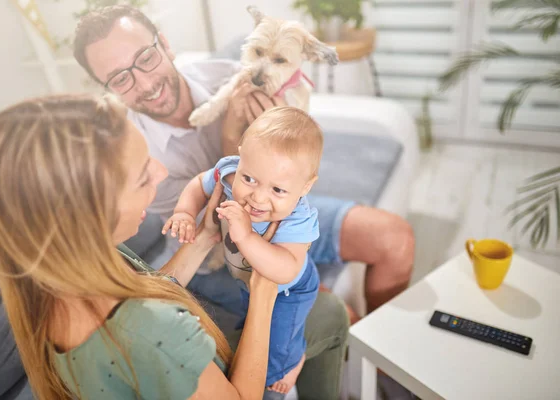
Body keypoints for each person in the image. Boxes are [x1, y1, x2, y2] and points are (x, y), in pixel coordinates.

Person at [73, 5, 415, 322]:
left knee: (395, 239)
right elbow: (225, 218)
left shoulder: (227, 75)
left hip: (283, 211)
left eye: (146, 57)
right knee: (335, 315)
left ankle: (387, 367)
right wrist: (232, 135)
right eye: (120, 79)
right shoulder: (137, 157)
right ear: (108, 89)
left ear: (164, 44)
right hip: (222, 253)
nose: (146, 84)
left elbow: (298, 152)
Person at [0, 94, 282, 399]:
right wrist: (264, 294)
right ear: (89, 215)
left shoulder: (54, 272)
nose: (161, 173)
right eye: (142, 176)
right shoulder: (151, 331)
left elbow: (143, 296)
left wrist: (202, 239)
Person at [165, 107, 323, 394]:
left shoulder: (297, 219)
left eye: (278, 190)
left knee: (275, 346)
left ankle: (291, 362)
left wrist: (248, 237)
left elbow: (286, 268)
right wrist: (185, 213)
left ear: (306, 186)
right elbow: (198, 185)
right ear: (240, 157)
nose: (258, 197)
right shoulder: (228, 173)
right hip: (245, 275)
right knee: (248, 319)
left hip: (288, 291)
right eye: (249, 179)